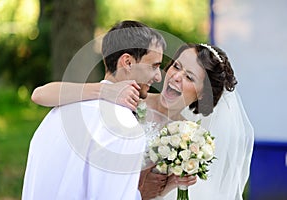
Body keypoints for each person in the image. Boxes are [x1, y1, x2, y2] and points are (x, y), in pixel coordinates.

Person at [30, 43, 254, 199]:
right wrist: (104, 91)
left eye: (189, 77)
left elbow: (148, 192)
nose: (176, 76)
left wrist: (169, 187)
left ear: (203, 94)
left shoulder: (190, 141)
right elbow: (41, 94)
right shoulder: (129, 97)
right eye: (176, 66)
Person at [22, 20, 197, 200]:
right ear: (128, 62)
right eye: (154, 66)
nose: (159, 76)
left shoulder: (60, 111)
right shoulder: (126, 128)